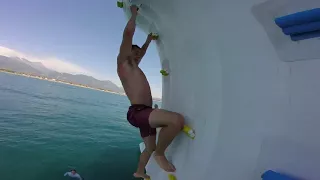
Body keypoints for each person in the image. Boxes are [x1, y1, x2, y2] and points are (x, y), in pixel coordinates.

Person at [117, 4, 185, 179]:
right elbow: (128, 34)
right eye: (136, 52)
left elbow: (142, 53)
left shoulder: (133, 65)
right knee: (176, 121)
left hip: (143, 114)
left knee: (149, 147)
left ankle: (139, 172)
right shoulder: (123, 63)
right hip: (139, 113)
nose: (139, 55)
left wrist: (147, 41)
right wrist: (133, 14)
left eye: (140, 53)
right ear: (127, 53)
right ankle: (160, 154)